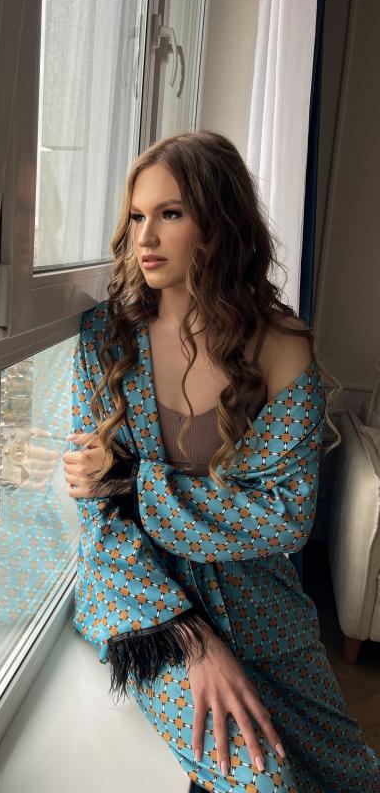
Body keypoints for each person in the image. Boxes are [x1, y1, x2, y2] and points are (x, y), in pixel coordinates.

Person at [62, 130, 380, 793]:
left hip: (260, 608)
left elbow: (283, 519)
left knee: (348, 774)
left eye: (170, 214)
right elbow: (101, 522)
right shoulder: (105, 340)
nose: (146, 237)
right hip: (143, 607)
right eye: (137, 217)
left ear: (218, 224)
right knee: (265, 781)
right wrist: (191, 639)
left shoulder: (282, 345)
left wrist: (131, 481)